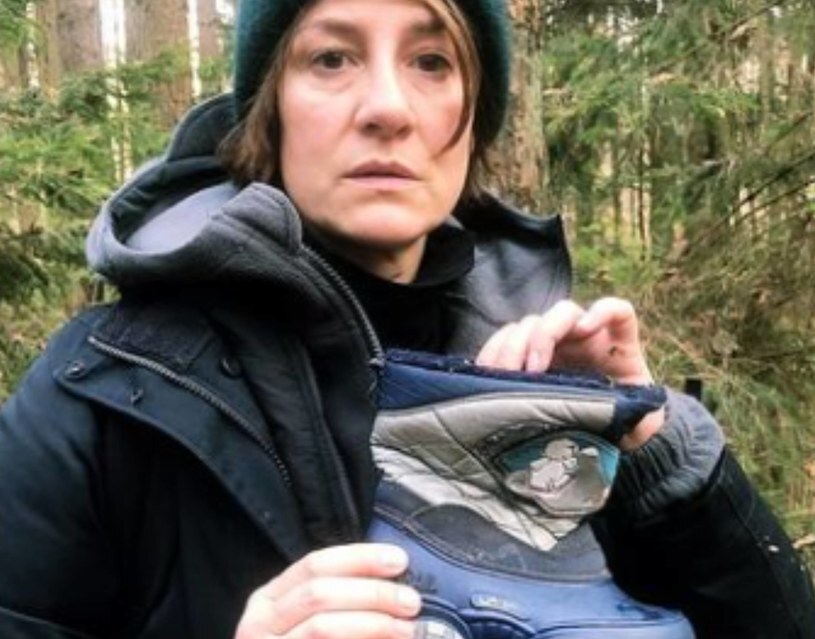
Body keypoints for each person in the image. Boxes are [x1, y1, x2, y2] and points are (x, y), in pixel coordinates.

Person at [0, 0, 813, 637]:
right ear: (269, 108)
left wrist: (654, 454)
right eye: (330, 57)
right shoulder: (105, 390)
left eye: (431, 61)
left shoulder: (545, 370)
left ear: (474, 111)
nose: (388, 107)